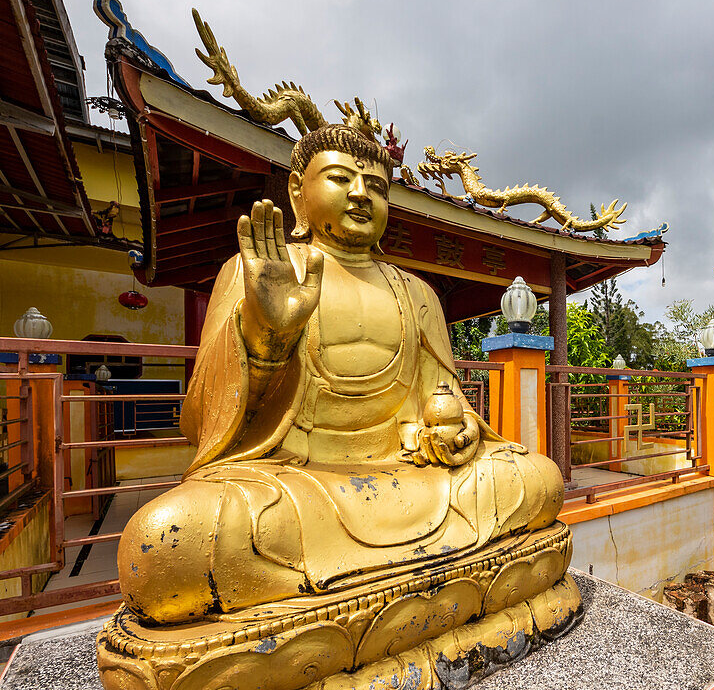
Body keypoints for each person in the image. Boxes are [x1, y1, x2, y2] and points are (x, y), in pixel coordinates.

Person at [118, 124, 564, 624]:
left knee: (536, 480)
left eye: (376, 186)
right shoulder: (257, 270)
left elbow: (443, 398)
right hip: (296, 482)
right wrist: (266, 333)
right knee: (166, 544)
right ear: (296, 192)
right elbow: (200, 421)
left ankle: (337, 610)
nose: (360, 194)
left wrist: (453, 429)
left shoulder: (415, 293)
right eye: (339, 178)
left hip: (410, 478)